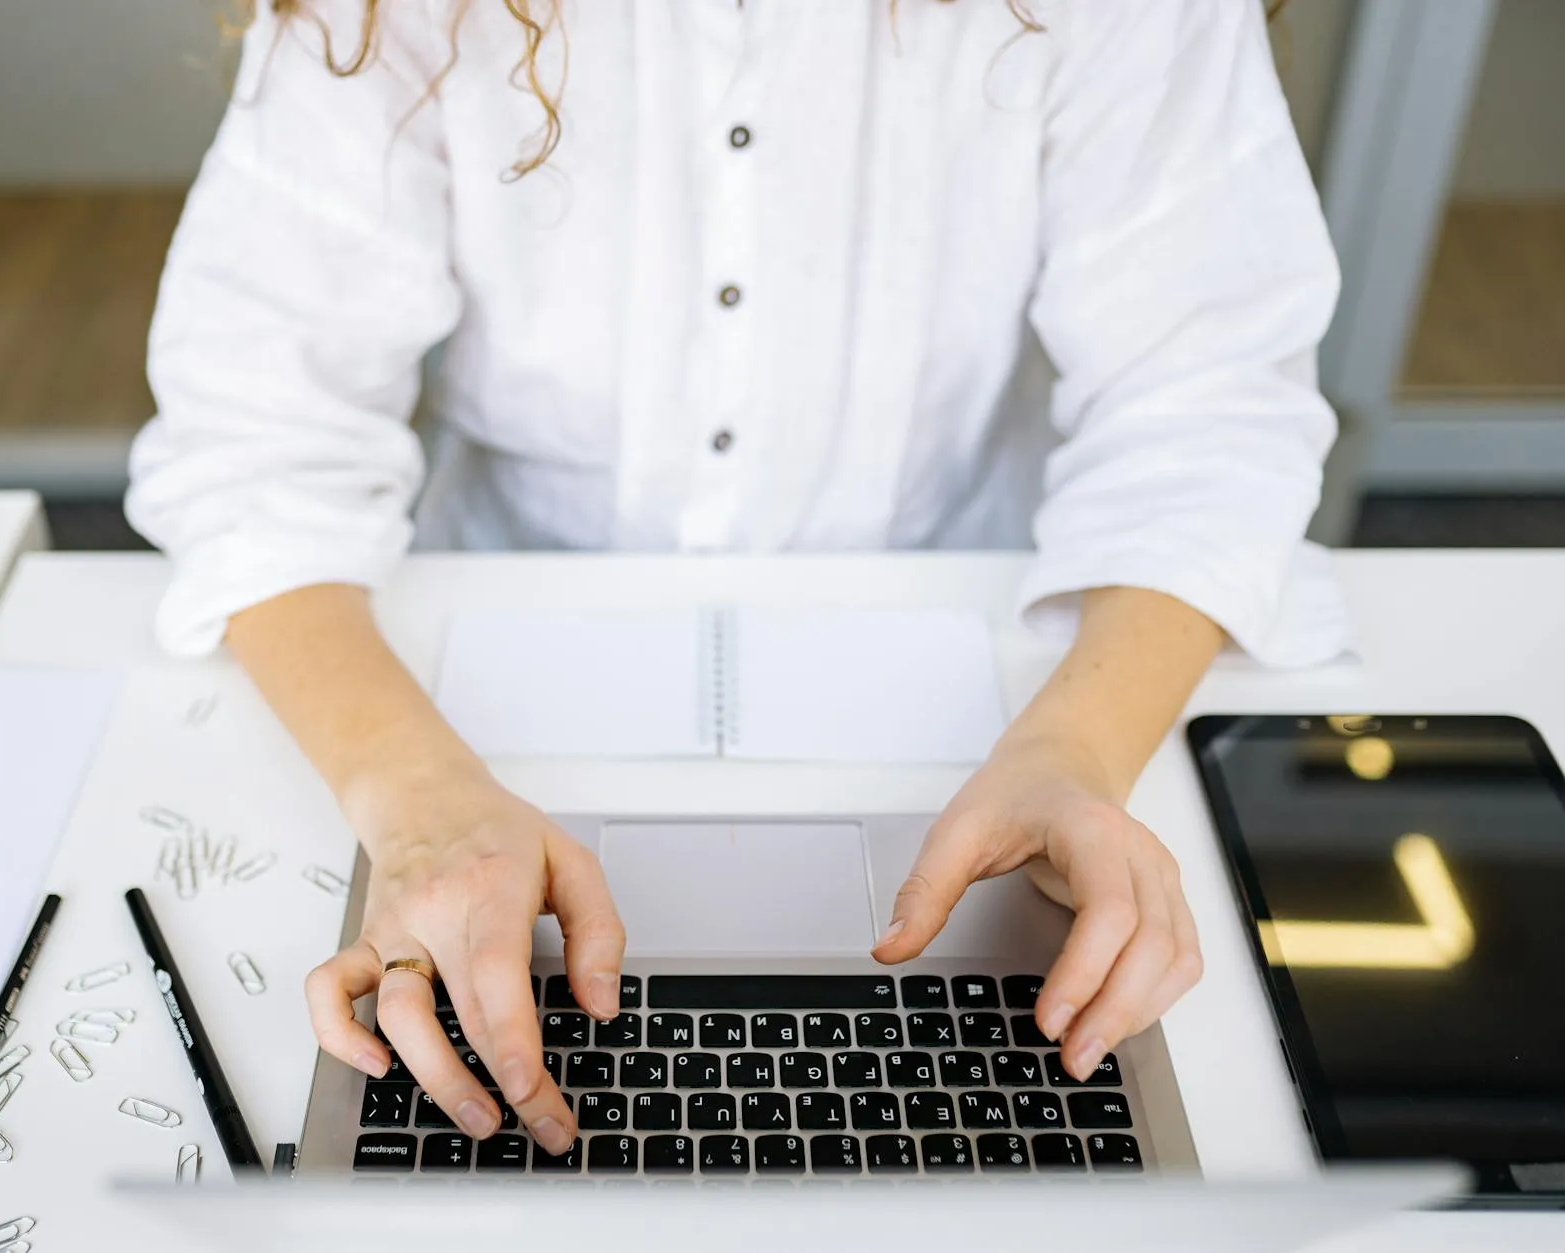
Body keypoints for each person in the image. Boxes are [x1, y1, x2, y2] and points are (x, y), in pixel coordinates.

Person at [127, 0, 1344, 1159]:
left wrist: (1078, 752)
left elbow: (1204, 406)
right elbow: (256, 433)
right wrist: (421, 806)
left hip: (988, 671)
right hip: (473, 676)